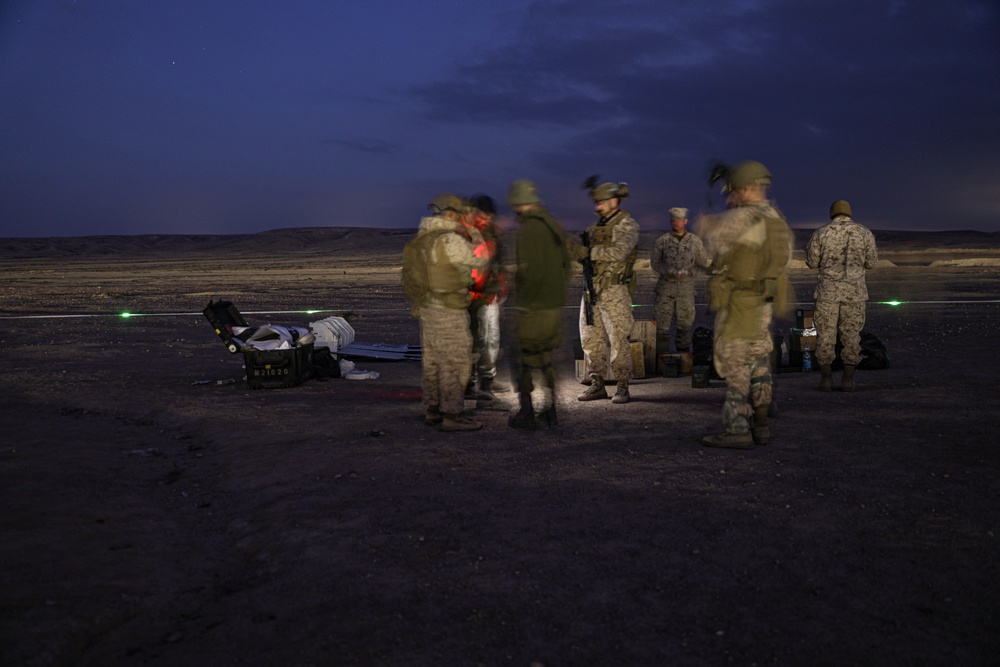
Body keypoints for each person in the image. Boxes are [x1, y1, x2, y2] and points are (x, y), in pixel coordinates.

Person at [697, 160, 792, 449]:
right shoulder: (776, 218)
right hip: (763, 303)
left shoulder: (738, 220)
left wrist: (705, 224)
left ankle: (737, 428)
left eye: (734, 191)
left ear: (748, 188)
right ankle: (761, 424)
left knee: (734, 364)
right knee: (759, 360)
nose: (730, 198)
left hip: (739, 304)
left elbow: (709, 254)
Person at [402, 193, 488, 432]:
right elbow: (480, 260)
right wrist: (474, 232)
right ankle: (453, 415)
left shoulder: (423, 239)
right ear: (451, 213)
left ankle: (433, 409)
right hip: (449, 309)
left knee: (432, 361)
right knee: (455, 362)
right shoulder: (450, 240)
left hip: (428, 308)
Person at [506, 179, 571, 430]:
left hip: (534, 307)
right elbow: (567, 265)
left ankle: (527, 410)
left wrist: (526, 302)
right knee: (546, 358)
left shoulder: (530, 229)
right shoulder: (553, 225)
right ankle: (551, 409)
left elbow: (528, 272)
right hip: (553, 305)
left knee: (522, 358)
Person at [574, 181, 640, 404]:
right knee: (591, 337)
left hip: (614, 290)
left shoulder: (627, 225)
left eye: (602, 202)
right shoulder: (593, 230)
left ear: (614, 201)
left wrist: (588, 252)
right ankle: (597, 382)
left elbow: (620, 252)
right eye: (596, 202)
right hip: (591, 290)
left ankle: (622, 385)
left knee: (618, 337)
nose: (598, 206)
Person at [806, 200, 878, 392]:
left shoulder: (821, 233)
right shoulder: (864, 233)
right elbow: (871, 262)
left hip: (827, 293)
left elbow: (812, 263)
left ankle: (826, 379)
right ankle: (848, 380)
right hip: (854, 293)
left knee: (825, 336)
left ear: (832, 213)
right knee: (852, 336)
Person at [462, 194, 509, 407]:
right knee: (477, 342)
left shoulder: (490, 234)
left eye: (489, 215)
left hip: (490, 296)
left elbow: (496, 264)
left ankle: (487, 380)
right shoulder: (465, 235)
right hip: (475, 298)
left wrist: (499, 288)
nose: (486, 219)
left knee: (491, 340)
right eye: (482, 215)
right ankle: (474, 387)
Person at [651, 206, 711, 359]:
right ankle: (661, 362)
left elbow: (702, 264)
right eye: (673, 220)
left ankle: (684, 362)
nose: (676, 223)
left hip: (686, 290)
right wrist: (668, 271)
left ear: (685, 221)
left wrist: (689, 273)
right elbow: (655, 263)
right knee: (661, 328)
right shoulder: (663, 241)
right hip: (665, 290)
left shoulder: (694, 242)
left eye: (679, 220)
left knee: (685, 326)